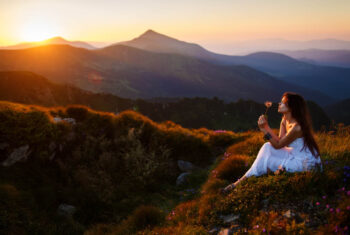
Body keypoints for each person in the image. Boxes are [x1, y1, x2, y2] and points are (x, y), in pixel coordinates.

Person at [221, 92, 323, 194]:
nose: (279, 104)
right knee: (267, 146)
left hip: (304, 162)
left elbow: (278, 145)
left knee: (267, 160)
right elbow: (279, 141)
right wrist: (266, 127)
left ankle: (238, 183)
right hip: (294, 154)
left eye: (283, 103)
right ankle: (244, 179)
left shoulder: (297, 127)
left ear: (292, 107)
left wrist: (264, 130)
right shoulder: (284, 120)